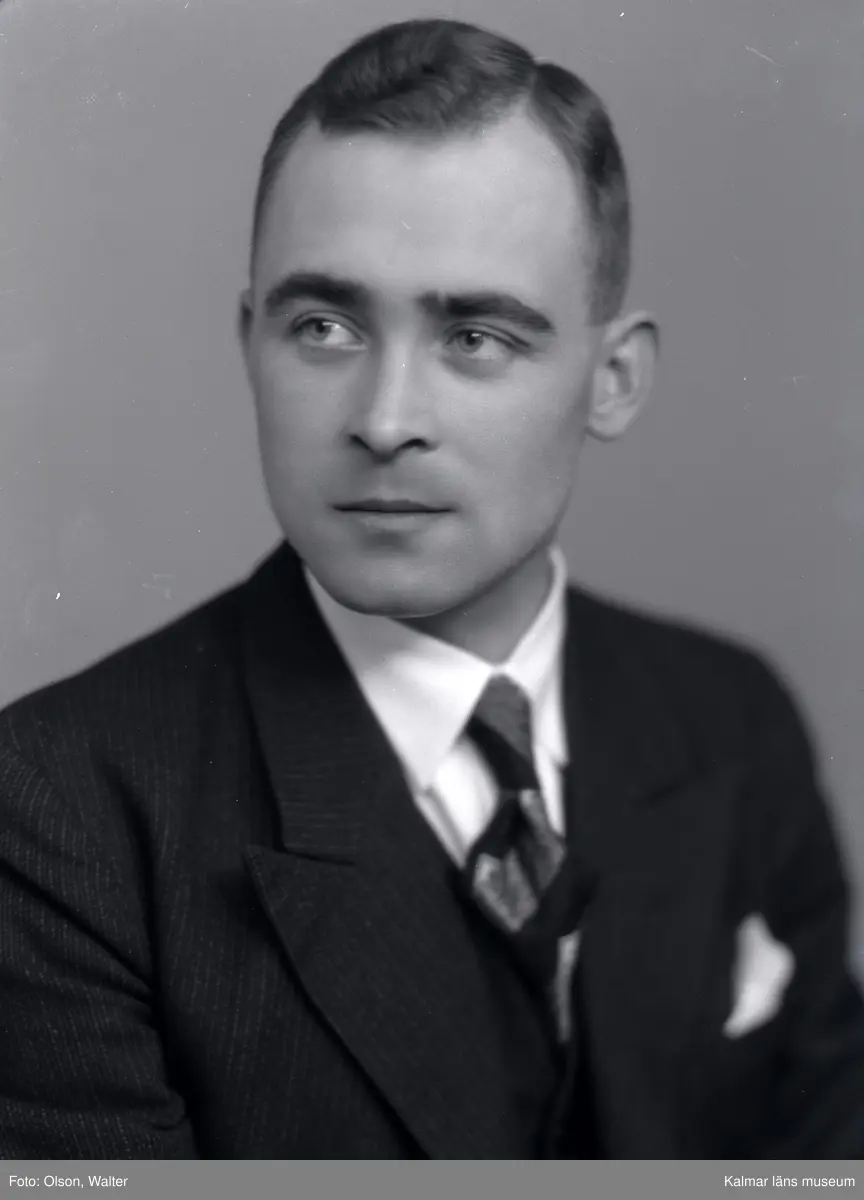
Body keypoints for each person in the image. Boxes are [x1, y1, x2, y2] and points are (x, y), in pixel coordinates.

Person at [0, 17, 862, 1161]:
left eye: (476, 337)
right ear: (249, 342)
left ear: (613, 380)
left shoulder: (730, 718)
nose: (386, 420)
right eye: (323, 327)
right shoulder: (61, 806)